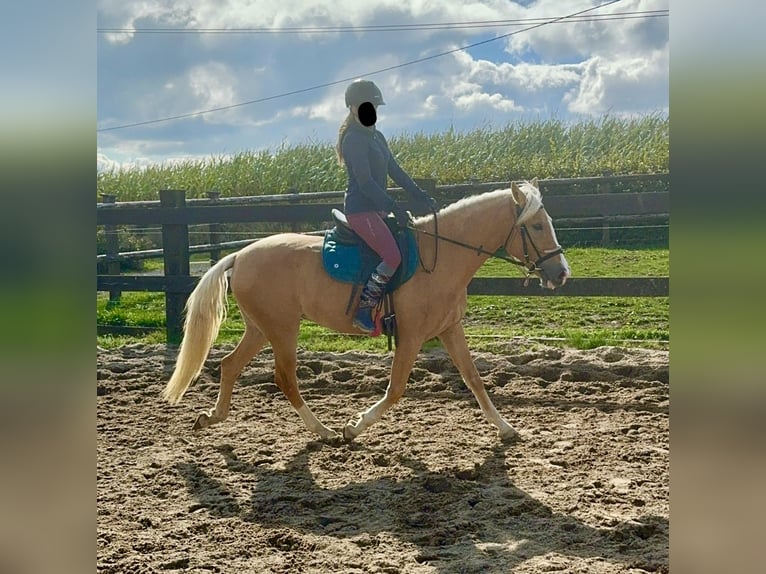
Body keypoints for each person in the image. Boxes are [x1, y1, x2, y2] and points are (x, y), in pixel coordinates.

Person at [336, 79, 437, 333]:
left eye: (375, 106)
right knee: (392, 256)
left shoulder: (377, 136)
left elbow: (396, 171)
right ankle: (364, 307)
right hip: (360, 210)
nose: (373, 111)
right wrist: (395, 206)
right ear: (353, 108)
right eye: (367, 106)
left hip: (377, 209)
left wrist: (419, 194)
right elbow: (366, 182)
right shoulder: (353, 139)